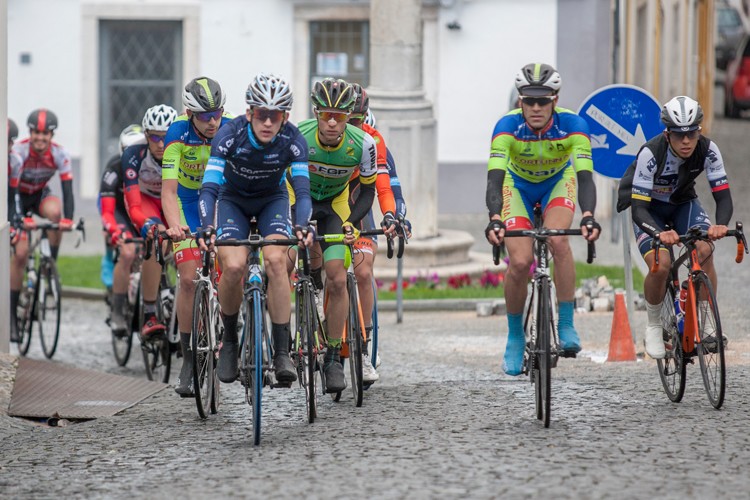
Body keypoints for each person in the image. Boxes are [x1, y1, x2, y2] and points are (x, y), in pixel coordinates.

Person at [484, 63, 600, 376]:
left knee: (558, 240)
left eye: (543, 101)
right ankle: (515, 336)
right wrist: (495, 218)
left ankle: (566, 323)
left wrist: (588, 216)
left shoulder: (574, 125)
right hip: (517, 186)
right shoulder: (506, 127)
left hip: (557, 182)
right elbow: (495, 180)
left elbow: (585, 178)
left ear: (555, 100)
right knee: (521, 262)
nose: (536, 107)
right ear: (520, 101)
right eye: (529, 100)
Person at [198, 73, 314, 385]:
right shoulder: (229, 135)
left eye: (275, 116)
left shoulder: (293, 141)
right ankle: (230, 342)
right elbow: (209, 188)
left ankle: (281, 351)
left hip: (271, 200)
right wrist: (207, 226)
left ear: (285, 117)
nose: (268, 122)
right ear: (249, 113)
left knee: (276, 261)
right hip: (233, 200)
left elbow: (303, 193)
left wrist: (302, 225)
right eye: (262, 114)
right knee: (234, 266)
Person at [618, 96, 732, 359]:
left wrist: (720, 226)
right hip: (650, 210)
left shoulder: (709, 150)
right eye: (679, 135)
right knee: (661, 264)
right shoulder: (651, 153)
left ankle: (706, 323)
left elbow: (724, 197)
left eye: (692, 134)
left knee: (705, 249)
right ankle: (654, 326)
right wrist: (659, 233)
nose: (686, 141)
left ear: (699, 131)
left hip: (682, 204)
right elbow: (639, 209)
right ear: (667, 134)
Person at [291, 77, 378, 393]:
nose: (331, 123)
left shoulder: (363, 144)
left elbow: (367, 192)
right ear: (316, 113)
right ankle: (281, 342)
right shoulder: (298, 136)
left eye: (339, 116)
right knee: (283, 260)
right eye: (326, 115)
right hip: (295, 197)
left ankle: (331, 358)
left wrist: (352, 222)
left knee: (338, 278)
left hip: (334, 204)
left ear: (348, 117)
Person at [162, 77, 232, 397]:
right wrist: (175, 227)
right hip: (188, 202)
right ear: (190, 114)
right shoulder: (177, 133)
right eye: (205, 116)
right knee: (189, 278)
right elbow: (169, 191)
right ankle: (189, 359)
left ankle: (232, 329)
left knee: (231, 265)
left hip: (221, 200)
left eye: (217, 113)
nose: (213, 122)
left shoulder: (231, 128)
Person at [344, 85, 400, 383]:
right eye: (348, 119)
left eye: (358, 120)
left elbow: (383, 186)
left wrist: (390, 214)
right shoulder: (322, 134)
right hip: (328, 202)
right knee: (329, 270)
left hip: (358, 203)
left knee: (363, 272)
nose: (352, 126)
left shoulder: (373, 139)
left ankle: (363, 351)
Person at [9, 109, 75, 343]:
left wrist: (68, 219)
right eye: (36, 133)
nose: (40, 138)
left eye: (45, 133)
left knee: (56, 215)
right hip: (16, 196)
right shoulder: (19, 152)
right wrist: (19, 218)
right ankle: (11, 317)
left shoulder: (59, 154)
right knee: (21, 254)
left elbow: (67, 189)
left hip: (38, 195)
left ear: (51, 135)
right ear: (30, 133)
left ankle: (49, 265)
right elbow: (12, 191)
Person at [122, 105, 179, 341]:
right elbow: (134, 205)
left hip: (174, 201)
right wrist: (145, 224)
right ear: (146, 135)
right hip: (146, 202)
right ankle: (149, 313)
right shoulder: (133, 154)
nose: (161, 143)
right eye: (155, 137)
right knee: (157, 241)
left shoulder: (184, 150)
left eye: (167, 137)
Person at [99, 124, 147, 335]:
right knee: (127, 253)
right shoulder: (114, 168)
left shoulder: (153, 164)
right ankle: (118, 310)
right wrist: (113, 230)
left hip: (144, 213)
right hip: (121, 214)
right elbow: (106, 209)